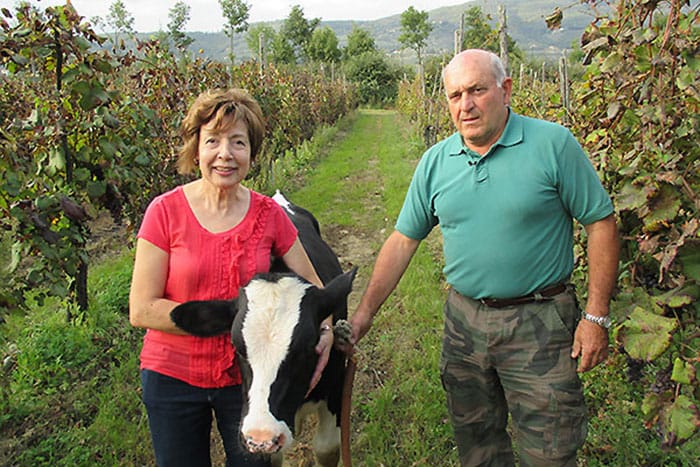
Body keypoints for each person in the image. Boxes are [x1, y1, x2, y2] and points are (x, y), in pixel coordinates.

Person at [344, 49, 620, 466]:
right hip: (464, 325)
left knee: (551, 450)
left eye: (476, 90)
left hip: (540, 324)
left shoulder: (552, 145)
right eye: (455, 95)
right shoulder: (436, 162)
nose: (465, 105)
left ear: (506, 90)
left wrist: (596, 316)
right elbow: (403, 241)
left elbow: (600, 222)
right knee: (477, 446)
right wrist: (363, 317)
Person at [129, 88, 333, 467]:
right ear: (196, 150)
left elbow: (315, 288)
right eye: (213, 141)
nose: (225, 154)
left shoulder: (268, 214)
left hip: (247, 383)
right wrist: (230, 321)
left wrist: (328, 329)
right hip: (171, 376)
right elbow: (142, 309)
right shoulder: (164, 212)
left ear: (251, 154)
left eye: (238, 142)